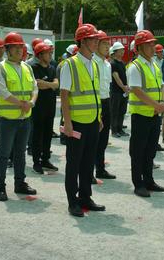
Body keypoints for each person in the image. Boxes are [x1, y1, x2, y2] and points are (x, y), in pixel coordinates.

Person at [60, 23, 105, 217]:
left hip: (93, 121)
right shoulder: (69, 64)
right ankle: (73, 201)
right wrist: (67, 122)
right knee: (74, 163)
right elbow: (64, 95)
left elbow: (95, 93)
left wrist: (99, 116)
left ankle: (86, 197)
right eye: (93, 39)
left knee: (88, 163)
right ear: (83, 41)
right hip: (76, 123)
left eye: (97, 39)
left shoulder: (94, 63)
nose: (96, 42)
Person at [0, 32, 38, 201]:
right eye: (16, 47)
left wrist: (31, 103)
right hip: (7, 119)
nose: (20, 49)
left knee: (20, 153)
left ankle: (20, 183)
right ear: (8, 50)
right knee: (4, 153)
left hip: (25, 118)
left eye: (21, 46)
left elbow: (35, 88)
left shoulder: (27, 67)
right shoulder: (1, 68)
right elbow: (3, 92)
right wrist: (22, 104)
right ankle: (1, 186)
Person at [127, 29, 164, 197]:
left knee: (150, 150)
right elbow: (137, 90)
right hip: (141, 115)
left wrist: (163, 102)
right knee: (138, 151)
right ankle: (138, 183)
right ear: (140, 47)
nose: (153, 47)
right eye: (149, 44)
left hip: (154, 114)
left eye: (153, 43)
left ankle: (149, 180)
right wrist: (156, 105)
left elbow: (162, 86)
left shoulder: (154, 64)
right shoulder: (135, 66)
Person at [31, 41, 59, 174]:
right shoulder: (34, 68)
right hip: (38, 108)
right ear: (40, 55)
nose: (50, 55)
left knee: (48, 134)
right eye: (48, 53)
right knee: (38, 135)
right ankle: (37, 162)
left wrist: (47, 83)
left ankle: (46, 159)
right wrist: (51, 84)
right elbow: (38, 85)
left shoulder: (52, 68)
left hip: (50, 107)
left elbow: (56, 84)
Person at [93, 30, 116, 181]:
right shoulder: (92, 62)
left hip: (106, 101)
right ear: (96, 45)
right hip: (95, 102)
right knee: (93, 139)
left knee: (103, 139)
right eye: (104, 44)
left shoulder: (107, 64)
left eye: (108, 44)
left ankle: (100, 169)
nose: (107, 47)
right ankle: (89, 171)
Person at [110, 42, 129, 138]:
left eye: (123, 50)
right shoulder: (113, 63)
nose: (123, 52)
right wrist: (124, 87)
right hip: (116, 91)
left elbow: (125, 76)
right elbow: (116, 77)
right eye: (121, 50)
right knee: (115, 111)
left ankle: (120, 129)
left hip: (123, 91)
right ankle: (114, 130)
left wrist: (127, 87)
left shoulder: (122, 63)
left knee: (122, 111)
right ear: (115, 51)